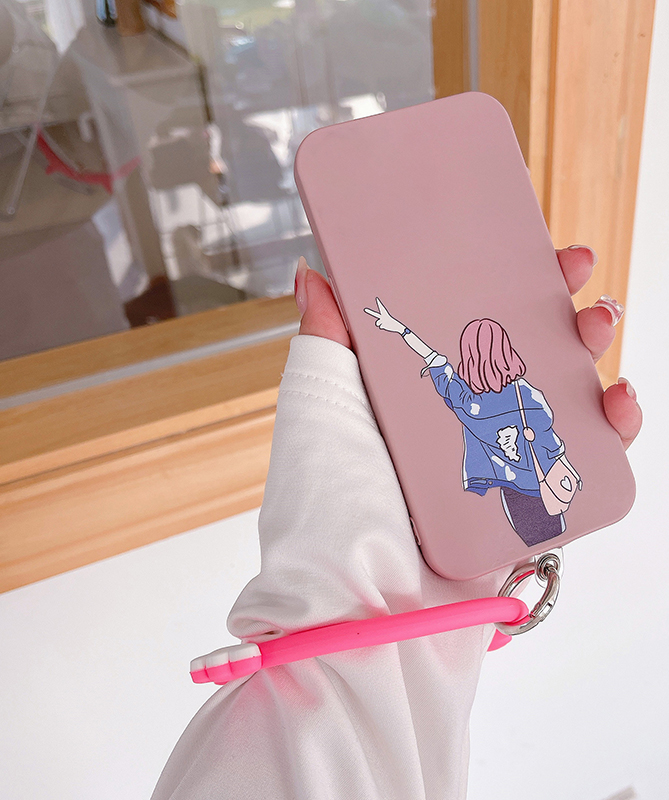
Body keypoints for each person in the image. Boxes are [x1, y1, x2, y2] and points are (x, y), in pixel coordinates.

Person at [150, 246, 641, 800]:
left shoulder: (472, 404)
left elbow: (438, 366)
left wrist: (396, 327)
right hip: (528, 502)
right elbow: (542, 430)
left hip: (513, 506)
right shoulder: (525, 396)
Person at [363, 302, 582, 547]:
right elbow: (549, 438)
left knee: (535, 543)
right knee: (556, 540)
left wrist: (402, 330)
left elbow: (436, 361)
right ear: (506, 351)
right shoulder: (527, 395)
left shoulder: (470, 405)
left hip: (514, 489)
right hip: (548, 480)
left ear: (468, 359)